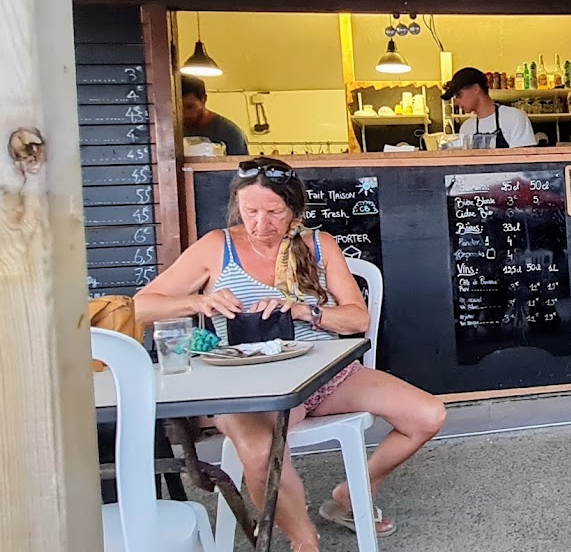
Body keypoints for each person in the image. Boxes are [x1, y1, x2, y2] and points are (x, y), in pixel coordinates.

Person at [134, 157, 445, 551]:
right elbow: (141, 307)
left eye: (273, 213)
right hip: (245, 386)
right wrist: (201, 301)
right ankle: (303, 540)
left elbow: (356, 320)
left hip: (322, 374)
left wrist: (305, 310)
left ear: (294, 211)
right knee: (262, 455)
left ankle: (352, 494)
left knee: (427, 415)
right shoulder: (217, 247)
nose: (261, 224)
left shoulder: (319, 245)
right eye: (250, 212)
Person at [442, 67, 536, 148]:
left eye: (459, 95)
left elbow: (524, 161)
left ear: (476, 88)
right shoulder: (466, 128)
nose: (456, 102)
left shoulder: (514, 118)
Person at [181, 75, 249, 156]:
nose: (184, 113)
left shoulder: (230, 133)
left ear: (204, 100)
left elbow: (241, 166)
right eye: (178, 108)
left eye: (190, 107)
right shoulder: (170, 131)